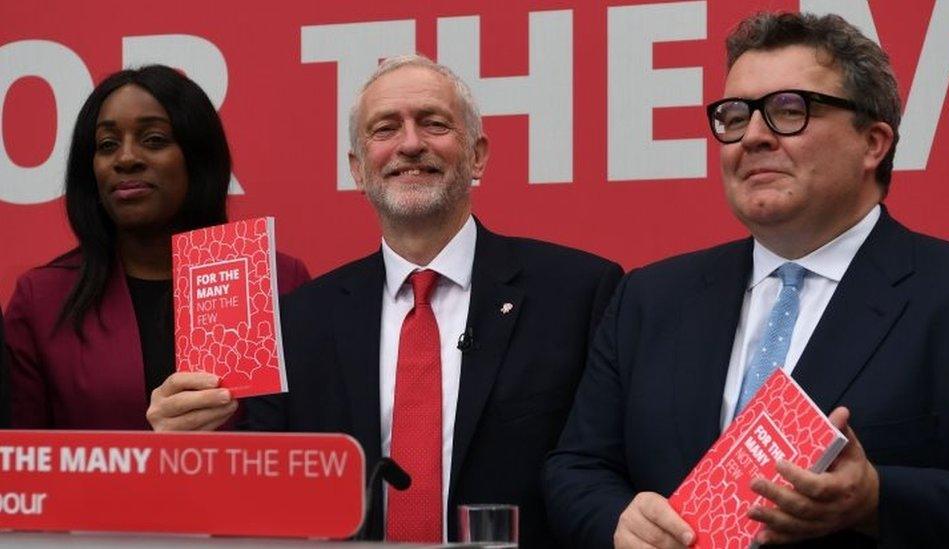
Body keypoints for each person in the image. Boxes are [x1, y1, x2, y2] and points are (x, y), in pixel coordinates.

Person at [148, 54, 623, 546]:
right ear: (357, 169)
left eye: (434, 124)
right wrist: (190, 451)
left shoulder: (578, 294)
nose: (411, 144)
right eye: (385, 129)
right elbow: (265, 491)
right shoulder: (298, 321)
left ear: (478, 154)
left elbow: (601, 471)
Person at [545, 11, 949, 548]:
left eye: (788, 111)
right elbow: (577, 468)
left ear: (874, 143)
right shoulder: (651, 298)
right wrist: (617, 519)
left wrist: (878, 498)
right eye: (733, 116)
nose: (751, 136)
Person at [5, 65, 310, 430]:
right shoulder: (42, 298)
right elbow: (21, 466)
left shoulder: (277, 281)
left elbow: (306, 437)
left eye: (153, 140)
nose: (126, 158)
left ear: (197, 157)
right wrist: (152, 452)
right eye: (106, 145)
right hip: (97, 490)